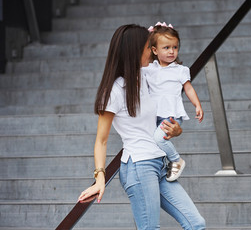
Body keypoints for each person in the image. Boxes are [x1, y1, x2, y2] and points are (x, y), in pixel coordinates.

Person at [77, 24, 206, 230]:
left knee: (196, 223)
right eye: (148, 48)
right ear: (135, 52)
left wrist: (176, 130)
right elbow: (101, 141)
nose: (152, 52)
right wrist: (99, 178)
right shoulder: (114, 92)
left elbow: (168, 104)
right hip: (139, 166)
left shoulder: (147, 76)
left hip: (160, 163)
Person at [144, 22, 204, 182]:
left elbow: (189, 88)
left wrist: (197, 105)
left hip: (171, 114)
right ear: (155, 50)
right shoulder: (149, 69)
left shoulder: (180, 70)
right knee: (153, 141)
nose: (172, 51)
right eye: (166, 48)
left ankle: (176, 160)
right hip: (153, 115)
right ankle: (161, 167)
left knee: (158, 138)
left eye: (175, 47)